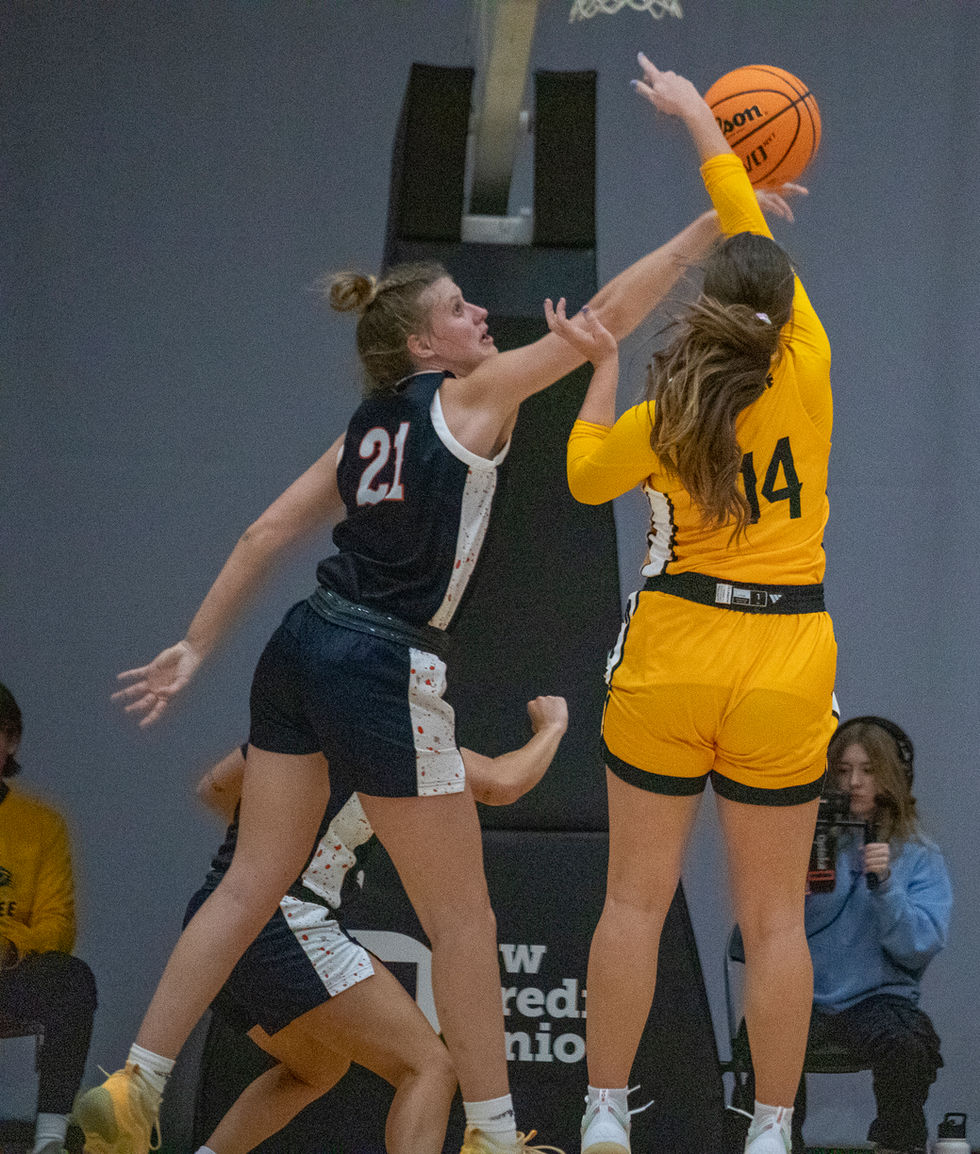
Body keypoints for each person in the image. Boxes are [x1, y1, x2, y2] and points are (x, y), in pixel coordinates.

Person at [74, 175, 788, 1154]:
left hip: (299, 640)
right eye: (459, 307)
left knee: (247, 882)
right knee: (463, 919)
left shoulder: (368, 428)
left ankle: (134, 1082)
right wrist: (708, 219)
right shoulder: (475, 395)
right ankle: (493, 1130)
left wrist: (194, 644)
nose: (478, 313)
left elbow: (263, 530)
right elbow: (610, 314)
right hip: (379, 654)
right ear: (423, 344)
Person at [552, 56, 835, 1154]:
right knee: (769, 918)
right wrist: (702, 128)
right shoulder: (806, 361)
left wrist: (601, 369)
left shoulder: (669, 404)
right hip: (781, 655)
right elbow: (739, 222)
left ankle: (607, 1109)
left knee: (633, 898)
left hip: (671, 652)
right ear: (781, 310)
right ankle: (768, 1126)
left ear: (707, 309)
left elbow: (579, 477)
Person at [180, 695, 568, 1154]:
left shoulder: (302, 723)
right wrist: (552, 728)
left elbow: (213, 788)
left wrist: (268, 848)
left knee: (315, 1069)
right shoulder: (401, 740)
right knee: (428, 1067)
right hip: (284, 919)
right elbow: (503, 784)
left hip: (213, 915)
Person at [795, 716, 951, 1154]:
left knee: (907, 1045)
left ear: (892, 778)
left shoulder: (918, 855)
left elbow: (918, 946)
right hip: (803, 995)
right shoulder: (803, 846)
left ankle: (896, 1143)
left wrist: (885, 886)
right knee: (766, 1039)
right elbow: (760, 937)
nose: (854, 783)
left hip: (877, 1000)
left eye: (868, 770)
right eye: (843, 771)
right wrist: (793, 894)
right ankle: (776, 1142)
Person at [0, 682, 98, 1154]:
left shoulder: (41, 822)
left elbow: (59, 924)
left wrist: (13, 949)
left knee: (72, 979)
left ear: (10, 741)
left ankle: (49, 1138)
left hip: (10, 968)